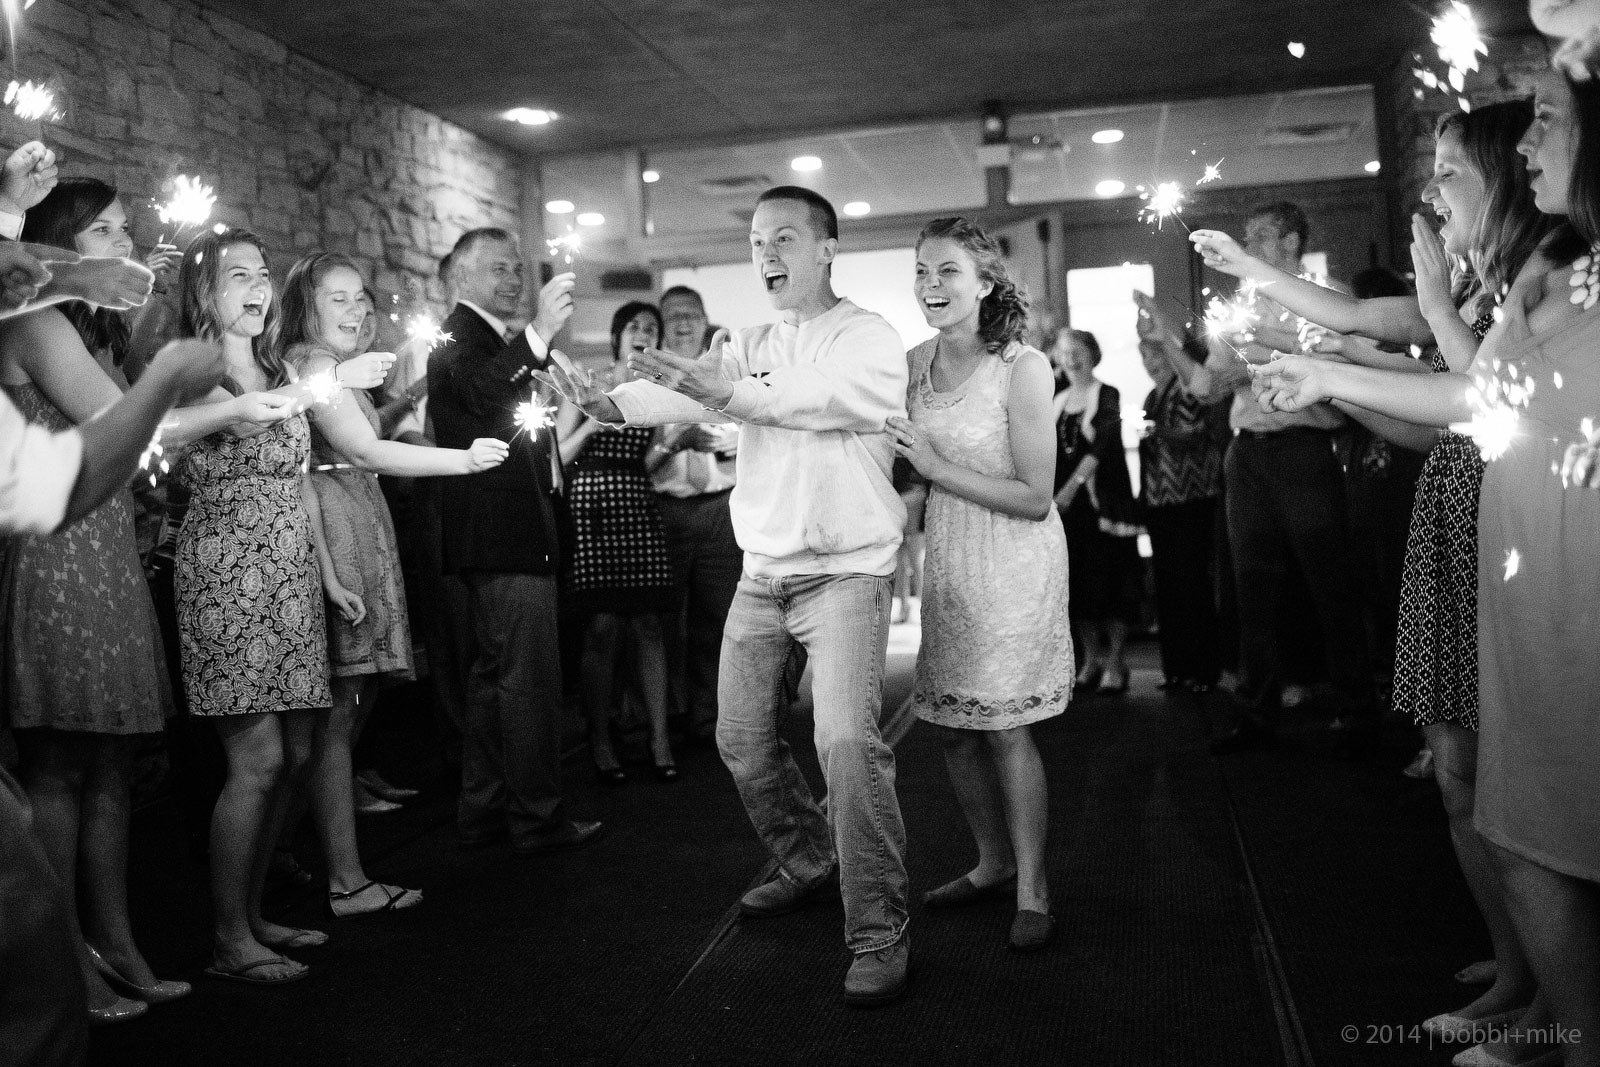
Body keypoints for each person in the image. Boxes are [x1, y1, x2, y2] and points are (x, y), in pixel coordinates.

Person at [1249, 69, 1600, 1066]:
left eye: (1548, 120)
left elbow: (1471, 396)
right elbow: (1472, 395)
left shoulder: (1553, 273)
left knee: (1540, 824)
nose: (1528, 145)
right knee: (1511, 817)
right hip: (1520, 569)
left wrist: (1366, 346)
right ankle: (1550, 1016)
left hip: (1569, 566)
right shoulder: (1546, 273)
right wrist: (1321, 365)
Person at [540, 186, 912, 1006]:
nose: (765, 253)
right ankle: (810, 861)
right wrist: (607, 403)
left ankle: (879, 928)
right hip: (763, 571)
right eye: (755, 241)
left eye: (784, 237)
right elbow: (685, 392)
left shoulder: (869, 338)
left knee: (847, 744)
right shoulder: (746, 342)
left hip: (848, 571)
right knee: (740, 740)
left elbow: (804, 399)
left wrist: (722, 390)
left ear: (827, 248)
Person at [0, 218, 228, 1067]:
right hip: (61, 550)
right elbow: (121, 420)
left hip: (104, 542)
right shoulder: (33, 324)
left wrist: (144, 329)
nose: (124, 243)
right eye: (104, 229)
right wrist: (178, 375)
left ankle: (117, 941)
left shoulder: (89, 331)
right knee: (62, 763)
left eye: (126, 229)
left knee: (113, 765)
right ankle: (67, 960)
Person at [166, 228, 393, 986]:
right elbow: (246, 418)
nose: (258, 287)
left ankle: (254, 912)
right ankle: (228, 938)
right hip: (227, 571)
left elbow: (300, 480)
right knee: (256, 758)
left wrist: (326, 574)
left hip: (290, 569)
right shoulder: (193, 367)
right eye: (238, 276)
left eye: (262, 273)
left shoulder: (276, 366)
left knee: (294, 753)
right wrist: (332, 381)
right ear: (205, 292)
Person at [277, 251, 507, 913]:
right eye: (339, 298)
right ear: (307, 305)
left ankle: (285, 849)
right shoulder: (314, 362)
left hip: (358, 515)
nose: (356, 309)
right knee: (335, 716)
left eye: (361, 298)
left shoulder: (338, 364)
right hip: (335, 521)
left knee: (348, 708)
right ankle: (345, 878)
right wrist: (463, 461)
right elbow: (362, 449)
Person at [885, 216, 1070, 952]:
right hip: (952, 551)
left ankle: (1033, 887)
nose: (930, 285)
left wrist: (934, 469)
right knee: (949, 728)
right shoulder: (910, 364)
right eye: (921, 271)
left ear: (986, 282)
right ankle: (991, 861)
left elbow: (1036, 495)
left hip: (1016, 553)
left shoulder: (1023, 367)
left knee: (1004, 724)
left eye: (948, 271)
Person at [426, 227, 604, 854]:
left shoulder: (492, 341)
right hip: (499, 539)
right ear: (461, 275)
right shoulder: (456, 336)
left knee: (495, 678)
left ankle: (486, 807)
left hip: (509, 536)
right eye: (497, 268)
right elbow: (482, 392)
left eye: (515, 268)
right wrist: (539, 334)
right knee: (528, 682)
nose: (512, 279)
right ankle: (536, 817)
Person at [1180, 200, 1375, 755]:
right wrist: (1172, 344)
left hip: (1305, 449)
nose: (1247, 245)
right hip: (1247, 451)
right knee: (1251, 586)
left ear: (1291, 241)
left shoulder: (1327, 297)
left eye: (1259, 235)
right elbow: (1210, 387)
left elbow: (1352, 365)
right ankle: (1257, 711)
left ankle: (1357, 710)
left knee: (1329, 580)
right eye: (1246, 235)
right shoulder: (1239, 304)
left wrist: (1263, 346)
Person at [556, 301, 680, 783]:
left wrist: (675, 444)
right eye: (633, 326)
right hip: (591, 508)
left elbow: (646, 460)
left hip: (636, 502)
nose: (642, 333)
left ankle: (659, 739)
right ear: (616, 336)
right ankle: (601, 739)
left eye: (651, 328)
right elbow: (559, 454)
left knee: (649, 624)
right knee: (602, 627)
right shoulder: (587, 382)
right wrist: (593, 418)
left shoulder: (655, 390)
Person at [651, 284, 742, 746]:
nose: (684, 323)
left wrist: (732, 441)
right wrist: (675, 441)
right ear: (661, 325)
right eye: (674, 316)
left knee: (720, 618)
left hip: (720, 507)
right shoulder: (647, 375)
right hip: (663, 509)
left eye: (691, 314)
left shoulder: (727, 369)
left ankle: (713, 717)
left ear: (705, 320)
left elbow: (758, 425)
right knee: (666, 622)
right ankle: (668, 716)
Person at [1132, 297, 1226, 692]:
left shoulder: (1186, 389)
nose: (1150, 362)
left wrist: (1158, 431)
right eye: (1144, 355)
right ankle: (1177, 669)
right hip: (1161, 501)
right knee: (1168, 586)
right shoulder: (1152, 396)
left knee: (1192, 584)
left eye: (1156, 353)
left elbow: (1194, 437)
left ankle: (1203, 670)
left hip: (1191, 497)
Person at [1051, 328, 1140, 694]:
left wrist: (1071, 488)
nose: (1071, 358)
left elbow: (1102, 445)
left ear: (1093, 354)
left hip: (1101, 505)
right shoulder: (1056, 398)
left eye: (1078, 350)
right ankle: (1090, 658)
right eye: (1065, 351)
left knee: (1113, 583)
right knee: (1078, 585)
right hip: (1066, 510)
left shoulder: (1108, 393)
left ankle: (1116, 661)